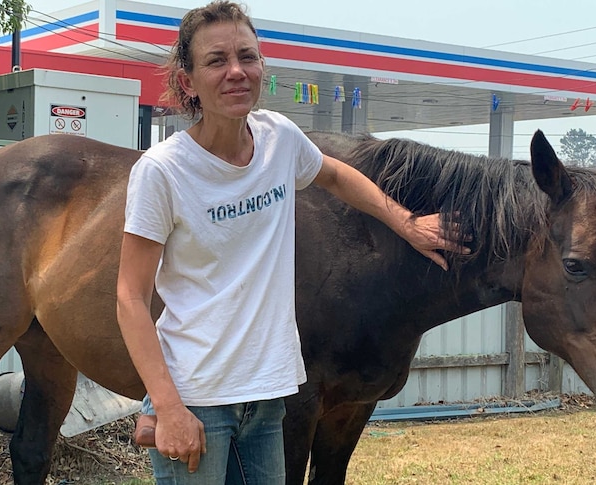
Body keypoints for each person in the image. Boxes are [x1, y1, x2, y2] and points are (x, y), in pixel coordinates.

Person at [115, 1, 467, 483]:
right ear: (187, 81)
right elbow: (130, 298)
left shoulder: (279, 138)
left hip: (266, 398)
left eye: (248, 56)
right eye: (217, 60)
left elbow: (337, 175)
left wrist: (406, 223)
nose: (236, 71)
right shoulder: (163, 171)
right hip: (196, 397)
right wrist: (169, 408)